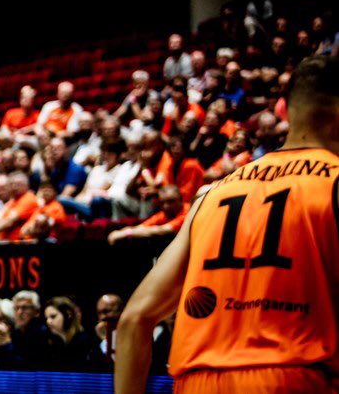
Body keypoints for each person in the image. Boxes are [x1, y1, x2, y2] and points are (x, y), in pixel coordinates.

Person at [115, 55, 339, 394]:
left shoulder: (212, 193)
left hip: (197, 381)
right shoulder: (334, 181)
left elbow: (134, 320)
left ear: (285, 111)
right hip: (294, 376)